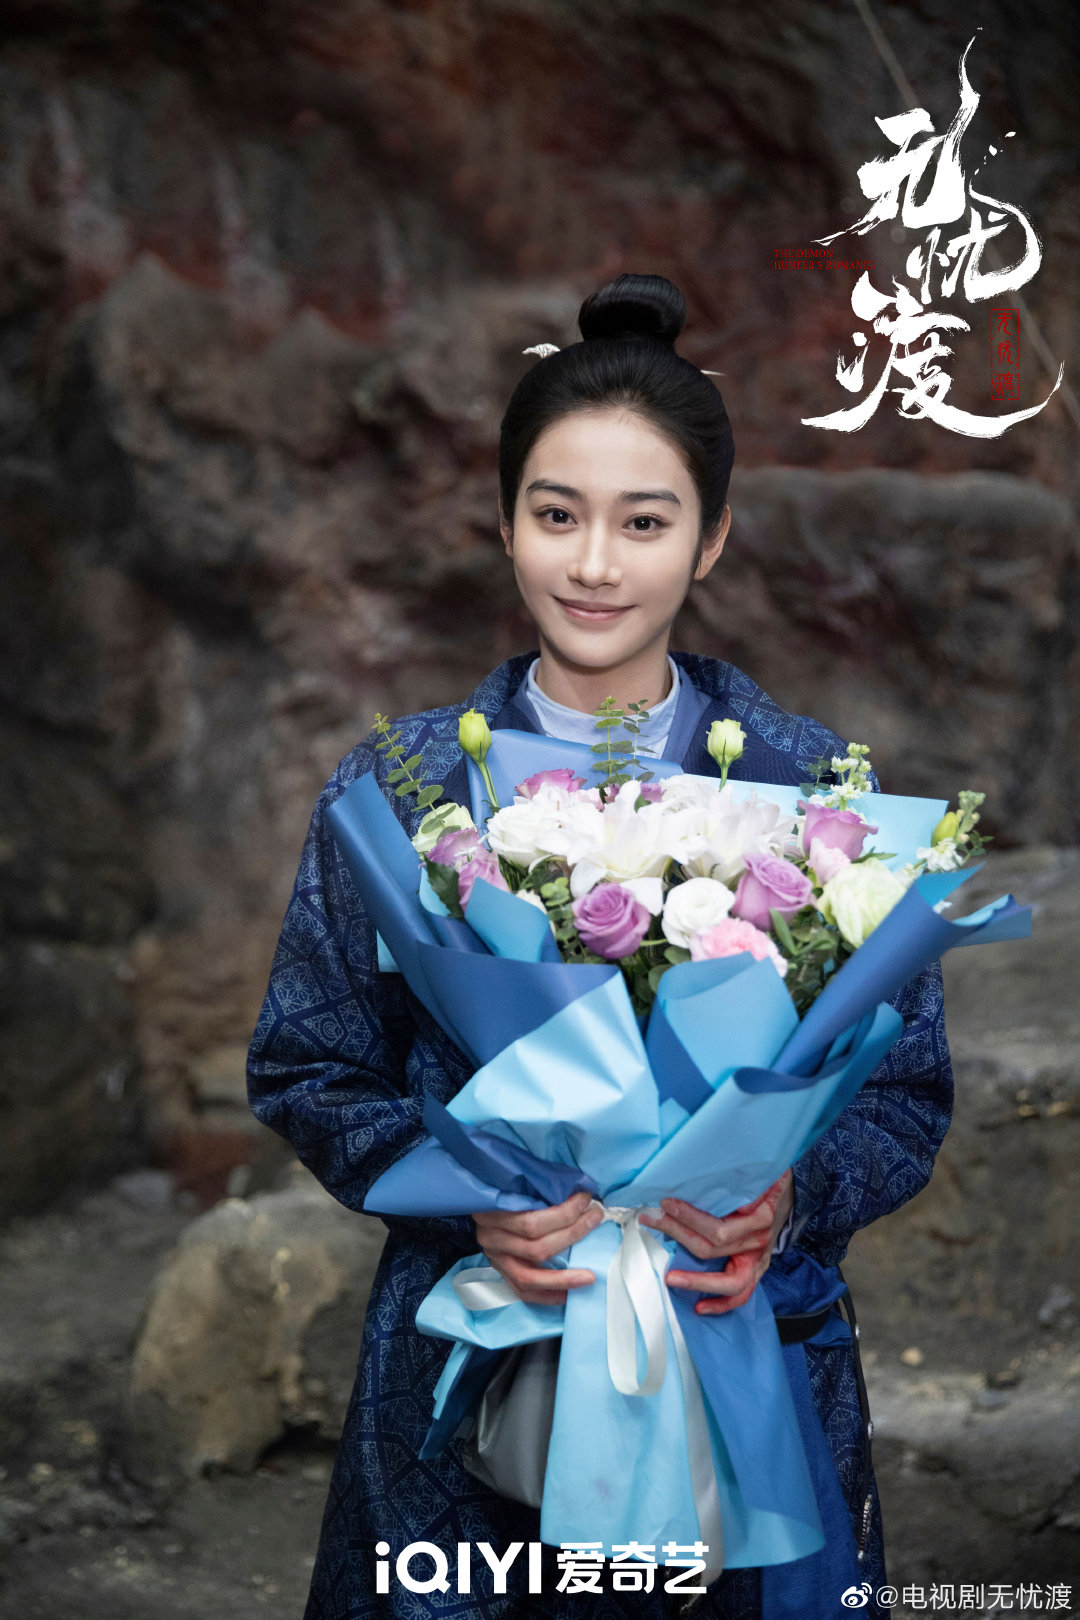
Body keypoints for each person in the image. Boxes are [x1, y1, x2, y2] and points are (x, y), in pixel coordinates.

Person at [246, 273, 953, 1620]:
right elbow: (306, 1066)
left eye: (645, 521)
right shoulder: (403, 792)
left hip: (738, 1323)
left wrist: (784, 1203)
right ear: (504, 520)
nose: (593, 565)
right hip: (480, 1339)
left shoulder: (813, 798)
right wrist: (477, 1199)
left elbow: (905, 1092)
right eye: (556, 514)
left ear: (713, 539)